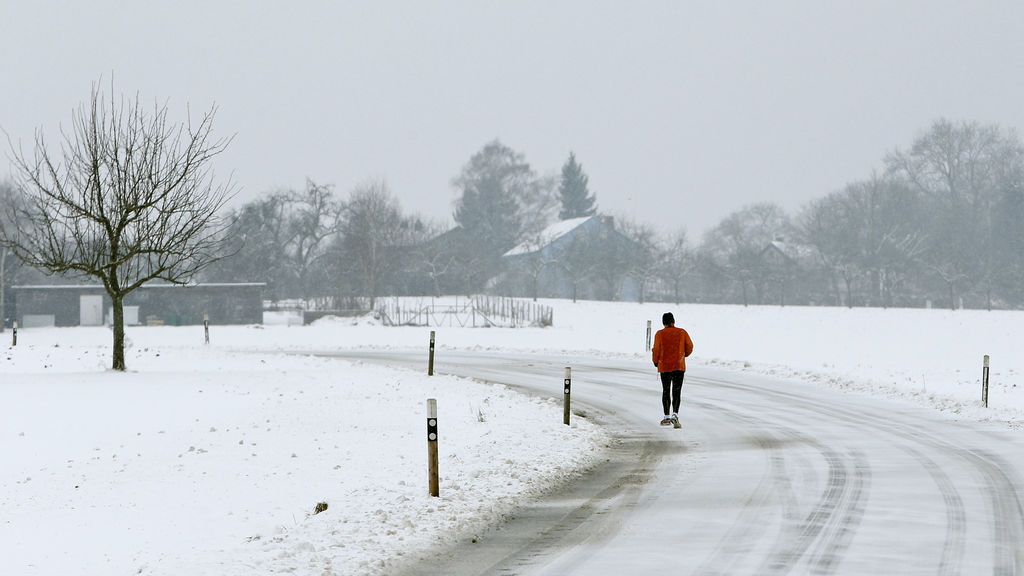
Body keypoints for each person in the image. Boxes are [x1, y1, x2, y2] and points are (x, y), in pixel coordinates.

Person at [652, 312, 694, 427]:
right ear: (673, 321)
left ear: (663, 322)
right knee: (676, 391)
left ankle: (666, 417)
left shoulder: (660, 334)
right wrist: (683, 355)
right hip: (678, 366)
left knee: (666, 391)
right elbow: (690, 346)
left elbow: (656, 349)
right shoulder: (682, 332)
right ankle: (675, 414)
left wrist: (656, 362)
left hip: (664, 367)